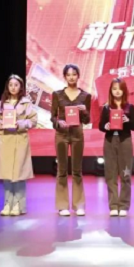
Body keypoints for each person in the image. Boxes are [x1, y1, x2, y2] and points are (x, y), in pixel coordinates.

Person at [0, 75, 37, 216]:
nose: (13, 87)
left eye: (16, 85)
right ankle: (7, 204)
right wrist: (0, 123)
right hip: (6, 140)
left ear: (21, 87)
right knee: (6, 174)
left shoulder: (26, 103)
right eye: (10, 85)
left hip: (19, 139)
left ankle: (18, 205)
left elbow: (33, 121)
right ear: (7, 86)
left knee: (19, 174)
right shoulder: (2, 102)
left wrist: (21, 124)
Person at [50, 64, 92, 217]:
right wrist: (58, 122)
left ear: (78, 76)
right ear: (65, 77)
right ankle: (62, 206)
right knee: (61, 170)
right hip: (61, 134)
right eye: (68, 75)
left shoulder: (85, 96)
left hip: (77, 134)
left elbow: (87, 120)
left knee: (77, 170)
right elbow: (52, 117)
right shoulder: (57, 94)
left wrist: (85, 111)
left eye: (74, 74)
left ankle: (79, 205)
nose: (71, 77)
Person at [98, 78, 134, 217]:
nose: (117, 91)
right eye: (114, 88)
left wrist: (127, 121)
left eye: (120, 88)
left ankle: (124, 205)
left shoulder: (130, 107)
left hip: (125, 141)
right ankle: (113, 205)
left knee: (126, 175)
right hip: (110, 141)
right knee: (111, 175)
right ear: (111, 91)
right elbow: (101, 126)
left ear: (124, 91)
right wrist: (106, 126)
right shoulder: (106, 107)